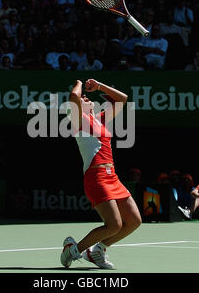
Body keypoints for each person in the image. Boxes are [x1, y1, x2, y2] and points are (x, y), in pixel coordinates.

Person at [61, 79, 141, 269]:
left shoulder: (100, 119)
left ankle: (98, 250)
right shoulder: (78, 121)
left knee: (134, 221)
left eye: (88, 97)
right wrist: (79, 82)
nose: (87, 99)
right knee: (114, 225)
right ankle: (73, 249)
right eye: (84, 99)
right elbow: (74, 96)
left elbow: (123, 99)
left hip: (112, 176)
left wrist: (99, 86)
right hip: (96, 178)